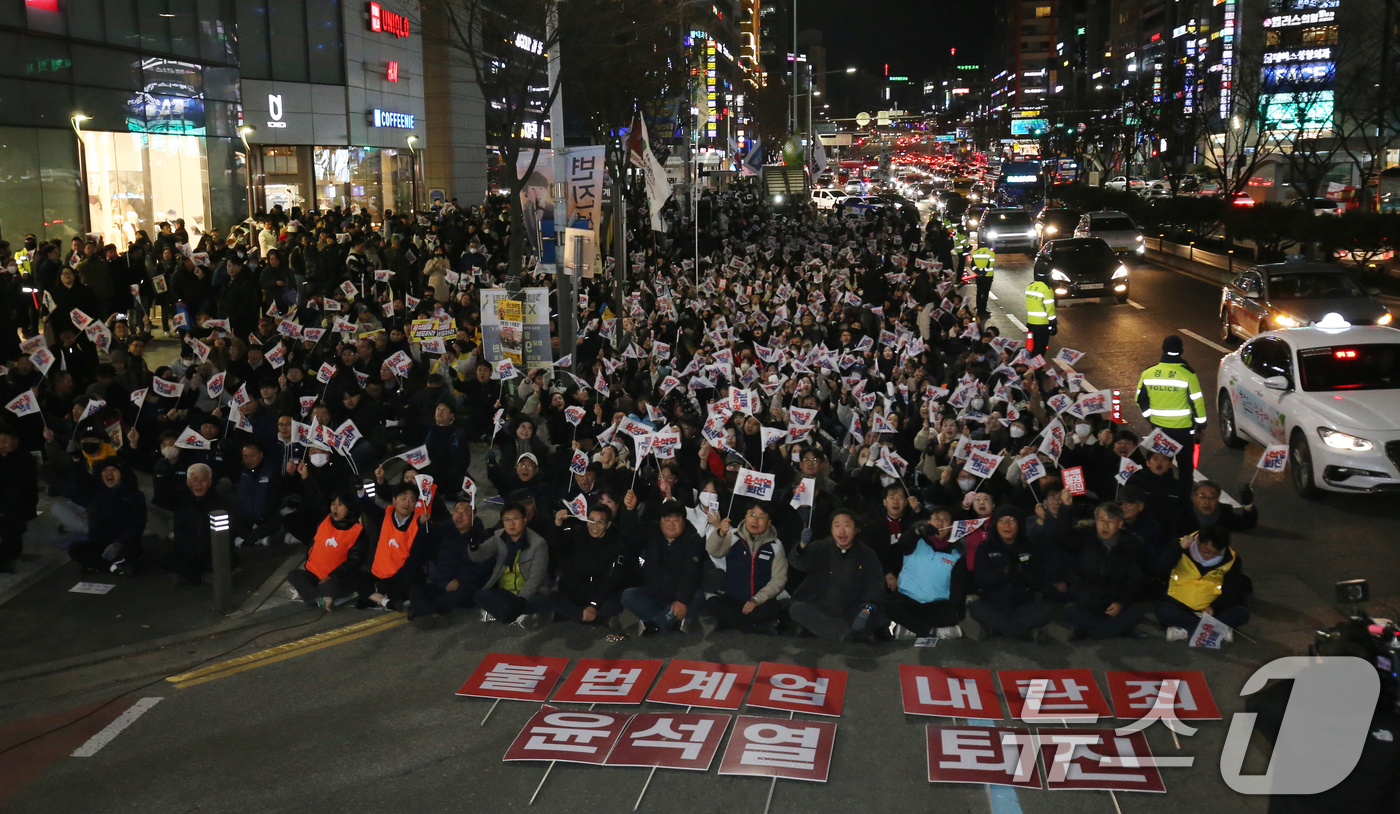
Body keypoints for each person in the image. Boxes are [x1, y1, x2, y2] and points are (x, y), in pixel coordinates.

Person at [787, 509, 887, 642]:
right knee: (797, 609)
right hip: (821, 605)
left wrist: (867, 609)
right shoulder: (821, 547)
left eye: (847, 525)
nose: (842, 531)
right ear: (831, 529)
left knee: (877, 615)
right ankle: (845, 635)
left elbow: (875, 584)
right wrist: (802, 545)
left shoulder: (866, 553)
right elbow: (801, 564)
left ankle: (827, 630)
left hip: (851, 608)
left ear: (856, 529)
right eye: (837, 526)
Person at [1058, 499, 1148, 639]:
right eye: (1101, 520)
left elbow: (1135, 581)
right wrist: (1066, 507)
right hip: (1087, 599)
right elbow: (1062, 537)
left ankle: (1090, 631)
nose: (1105, 525)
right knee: (1070, 609)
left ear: (1120, 524)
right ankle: (1118, 629)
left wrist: (1121, 604)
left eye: (1110, 521)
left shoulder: (1132, 545)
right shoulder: (1084, 536)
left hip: (1114, 601)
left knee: (1137, 611)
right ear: (1095, 521)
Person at [969, 504, 1054, 640]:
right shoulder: (985, 547)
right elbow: (980, 580)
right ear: (995, 524)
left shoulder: (1029, 547)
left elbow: (1039, 582)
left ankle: (1000, 629)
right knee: (976, 608)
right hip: (994, 604)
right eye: (1002, 520)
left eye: (1012, 520)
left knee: (1047, 611)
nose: (1007, 525)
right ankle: (1022, 632)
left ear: (1019, 525)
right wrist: (1003, 573)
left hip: (1022, 605)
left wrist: (1022, 570)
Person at [883, 507, 969, 639]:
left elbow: (959, 586)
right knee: (890, 606)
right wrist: (919, 531)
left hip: (936, 604)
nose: (940, 523)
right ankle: (931, 631)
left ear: (951, 527)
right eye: (936, 519)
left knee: (953, 614)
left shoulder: (957, 553)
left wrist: (957, 610)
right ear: (928, 522)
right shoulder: (915, 542)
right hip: (908, 600)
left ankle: (911, 628)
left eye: (945, 520)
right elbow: (903, 541)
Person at [408, 494, 492, 629]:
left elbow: (484, 567)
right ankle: (432, 615)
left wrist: (460, 579)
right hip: (442, 581)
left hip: (464, 584)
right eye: (456, 511)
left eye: (464, 512)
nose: (459, 516)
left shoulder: (482, 536)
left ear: (474, 515)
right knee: (416, 590)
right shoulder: (446, 528)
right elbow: (429, 534)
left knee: (460, 594)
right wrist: (423, 523)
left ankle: (422, 611)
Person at [621, 499, 705, 634]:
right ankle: (673, 621)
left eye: (676, 520)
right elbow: (631, 532)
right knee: (628, 595)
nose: (671, 524)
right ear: (660, 520)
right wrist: (630, 510)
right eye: (666, 519)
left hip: (678, 595)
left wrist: (681, 600)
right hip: (653, 593)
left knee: (698, 597)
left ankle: (655, 625)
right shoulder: (652, 530)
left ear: (684, 521)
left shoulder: (693, 540)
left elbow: (691, 573)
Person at [1156, 524, 1251, 641]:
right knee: (1163, 611)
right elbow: (1158, 569)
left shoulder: (1232, 560)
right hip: (1180, 604)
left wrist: (1214, 607)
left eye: (1216, 553)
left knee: (1241, 613)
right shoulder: (1180, 545)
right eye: (1205, 551)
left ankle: (1186, 631)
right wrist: (1179, 549)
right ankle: (1217, 631)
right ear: (1198, 541)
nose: (1209, 556)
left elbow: (1232, 591)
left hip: (1210, 610)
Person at [704, 501, 787, 635]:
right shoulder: (732, 535)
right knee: (712, 603)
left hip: (759, 602)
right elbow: (713, 550)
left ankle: (734, 622)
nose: (755, 520)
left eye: (761, 517)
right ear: (745, 517)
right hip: (732, 599)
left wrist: (756, 599)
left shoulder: (776, 545)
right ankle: (752, 627)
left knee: (774, 608)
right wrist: (720, 532)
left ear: (769, 521)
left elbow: (779, 579)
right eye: (751, 515)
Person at [1135, 335, 1205, 490]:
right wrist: (1201, 425)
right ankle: (1183, 498)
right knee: (1186, 468)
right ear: (1181, 350)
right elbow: (1197, 401)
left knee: (1160, 467)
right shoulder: (1187, 374)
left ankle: (1159, 495)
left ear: (1162, 349)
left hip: (1160, 429)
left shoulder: (1149, 372)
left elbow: (1140, 399)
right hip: (1184, 431)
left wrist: (1150, 419)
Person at [348, 481, 427, 610]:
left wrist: (393, 580)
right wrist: (360, 491)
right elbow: (367, 507)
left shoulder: (420, 523)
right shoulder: (385, 515)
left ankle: (376, 597)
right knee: (352, 576)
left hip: (401, 575)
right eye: (403, 498)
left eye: (412, 500)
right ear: (394, 500)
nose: (407, 503)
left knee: (413, 581)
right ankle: (385, 600)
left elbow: (415, 559)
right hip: (379, 573)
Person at [472, 502, 551, 625]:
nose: (511, 524)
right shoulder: (499, 537)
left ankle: (504, 613)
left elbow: (536, 578)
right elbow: (480, 555)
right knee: (479, 595)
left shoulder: (538, 543)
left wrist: (521, 600)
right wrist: (473, 546)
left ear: (525, 520)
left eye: (516, 519)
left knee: (541, 601)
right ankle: (519, 617)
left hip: (529, 592)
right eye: (507, 520)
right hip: (506, 591)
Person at [550, 504, 629, 625]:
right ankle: (592, 618)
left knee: (613, 605)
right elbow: (556, 546)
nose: (594, 526)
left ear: (607, 524)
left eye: (600, 522)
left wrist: (593, 604)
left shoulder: (617, 546)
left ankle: (573, 614)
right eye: (591, 521)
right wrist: (557, 524)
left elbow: (610, 580)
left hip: (599, 591)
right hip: (575, 589)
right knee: (552, 596)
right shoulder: (577, 534)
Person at [286, 489, 364, 610]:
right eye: (333, 504)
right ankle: (319, 598)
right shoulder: (325, 519)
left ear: (349, 508)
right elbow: (315, 499)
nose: (335, 508)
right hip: (314, 574)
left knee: (331, 586)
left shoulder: (357, 531)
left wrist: (332, 575)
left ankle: (311, 594)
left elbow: (355, 561)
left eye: (340, 504)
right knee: (294, 575)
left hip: (336, 578)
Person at [67, 459, 147, 575]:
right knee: (74, 549)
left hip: (123, 543)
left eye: (114, 470)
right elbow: (79, 482)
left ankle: (100, 566)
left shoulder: (135, 496)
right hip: (101, 543)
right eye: (105, 470)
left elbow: (137, 524)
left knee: (133, 551)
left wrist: (119, 543)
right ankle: (113, 567)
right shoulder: (97, 492)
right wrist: (76, 460)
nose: (109, 473)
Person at [0, 426, 38, 573]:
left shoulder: (25, 459)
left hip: (17, 506)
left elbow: (21, 489)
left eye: (4, 441)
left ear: (15, 441)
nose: (1, 446)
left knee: (12, 539)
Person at [1174, 479, 1258, 538]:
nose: (1207, 501)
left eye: (1212, 497)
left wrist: (1248, 504)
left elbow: (1248, 524)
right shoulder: (1181, 515)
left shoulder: (1225, 514)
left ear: (1218, 499)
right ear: (1194, 498)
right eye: (1202, 496)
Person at [1024, 265, 1056, 357]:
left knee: (1035, 345)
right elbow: (1050, 308)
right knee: (1041, 347)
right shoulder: (1046, 289)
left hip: (1031, 322)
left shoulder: (1030, 287)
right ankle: (1036, 368)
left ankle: (1033, 366)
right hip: (1043, 323)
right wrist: (1053, 323)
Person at [969, 243, 995, 314]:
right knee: (985, 293)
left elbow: (972, 263)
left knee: (979, 291)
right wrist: (984, 272)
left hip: (978, 276)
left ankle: (978, 306)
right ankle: (983, 309)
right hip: (988, 276)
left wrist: (978, 271)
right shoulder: (991, 253)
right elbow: (990, 264)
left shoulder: (975, 252)